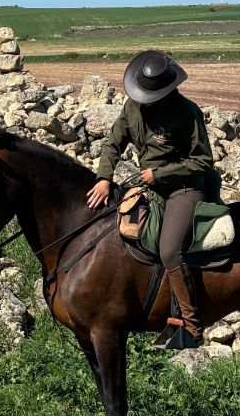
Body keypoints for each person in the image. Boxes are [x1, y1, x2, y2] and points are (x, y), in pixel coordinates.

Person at [85, 50, 214, 344]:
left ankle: (192, 326)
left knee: (169, 249)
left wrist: (159, 175)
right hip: (150, 186)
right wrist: (104, 177)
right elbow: (113, 143)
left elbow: (203, 161)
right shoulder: (132, 107)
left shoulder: (187, 112)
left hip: (183, 188)